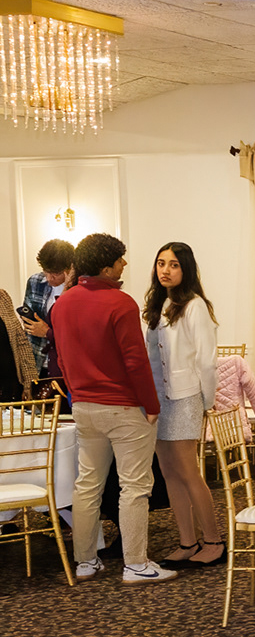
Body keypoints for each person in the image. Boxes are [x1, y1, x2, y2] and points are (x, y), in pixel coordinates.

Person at [51, 234, 175, 584]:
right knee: (135, 486)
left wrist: (77, 394)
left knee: (87, 484)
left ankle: (86, 562)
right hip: (123, 407)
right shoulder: (120, 303)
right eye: (120, 259)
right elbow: (135, 361)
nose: (125, 264)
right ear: (106, 268)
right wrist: (151, 404)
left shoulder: (62, 304)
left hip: (83, 406)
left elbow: (62, 361)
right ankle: (135, 564)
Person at [144, 242, 226, 569]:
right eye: (161, 263)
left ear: (186, 269)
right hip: (159, 399)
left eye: (174, 264)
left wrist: (206, 401)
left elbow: (207, 360)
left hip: (186, 396)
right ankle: (187, 541)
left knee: (188, 471)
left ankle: (214, 541)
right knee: (169, 473)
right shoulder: (158, 304)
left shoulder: (194, 305)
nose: (165, 270)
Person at [19, 237, 74, 381]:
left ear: (70, 268)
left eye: (55, 273)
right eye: (46, 271)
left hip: (67, 365)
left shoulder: (78, 289)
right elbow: (28, 324)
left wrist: (47, 332)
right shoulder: (35, 281)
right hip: (38, 361)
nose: (49, 278)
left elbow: (76, 333)